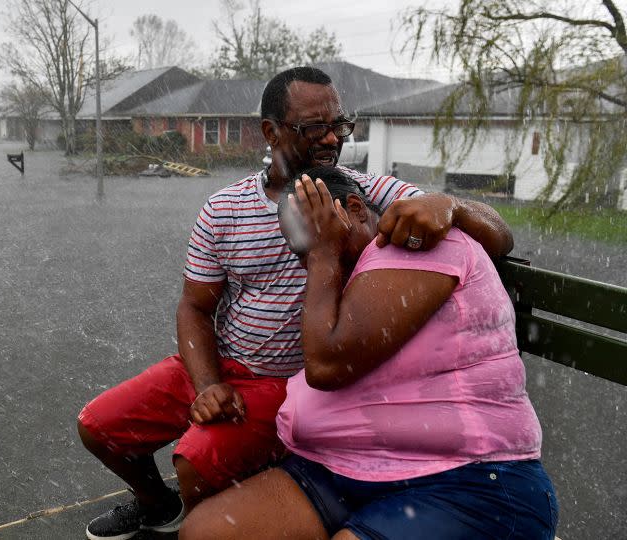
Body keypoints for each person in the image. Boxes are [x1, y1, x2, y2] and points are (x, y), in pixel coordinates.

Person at [76, 66, 515, 540]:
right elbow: (195, 307)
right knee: (99, 427)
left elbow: (499, 235)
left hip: (282, 382)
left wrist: (451, 205)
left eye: (339, 126)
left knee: (196, 460)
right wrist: (206, 384)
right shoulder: (224, 209)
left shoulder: (363, 191)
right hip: (217, 362)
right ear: (271, 131)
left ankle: (203, 511)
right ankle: (159, 506)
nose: (331, 139)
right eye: (313, 128)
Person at [179, 167, 557, 540]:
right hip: (340, 470)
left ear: (357, 209)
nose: (307, 263)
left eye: (316, 239)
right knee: (206, 532)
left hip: (467, 478)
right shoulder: (347, 270)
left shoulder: (415, 245)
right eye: (300, 251)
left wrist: (324, 253)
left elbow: (328, 364)